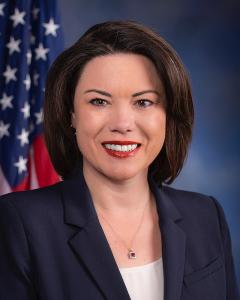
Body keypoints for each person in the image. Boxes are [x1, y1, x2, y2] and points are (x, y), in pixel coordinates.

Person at [0, 20, 239, 300]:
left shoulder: (207, 216)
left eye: (143, 102)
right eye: (99, 101)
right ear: (71, 114)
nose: (123, 124)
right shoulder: (20, 223)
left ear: (168, 115)